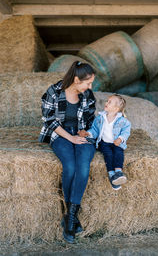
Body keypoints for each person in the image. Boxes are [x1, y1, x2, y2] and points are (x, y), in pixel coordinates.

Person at [39, 61, 96, 244]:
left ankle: (70, 217)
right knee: (69, 167)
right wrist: (70, 138)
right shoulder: (54, 91)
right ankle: (71, 218)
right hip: (60, 134)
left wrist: (85, 132)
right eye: (88, 83)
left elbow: (90, 120)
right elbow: (49, 120)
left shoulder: (87, 94)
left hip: (81, 134)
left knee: (83, 167)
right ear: (77, 79)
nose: (90, 87)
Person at [80, 94, 131, 190]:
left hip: (116, 142)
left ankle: (118, 172)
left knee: (118, 153)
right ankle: (112, 175)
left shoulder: (123, 121)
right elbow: (94, 130)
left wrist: (120, 139)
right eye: (107, 101)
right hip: (104, 143)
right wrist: (88, 133)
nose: (106, 103)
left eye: (109, 102)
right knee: (108, 154)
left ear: (116, 108)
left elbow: (126, 131)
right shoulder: (100, 118)